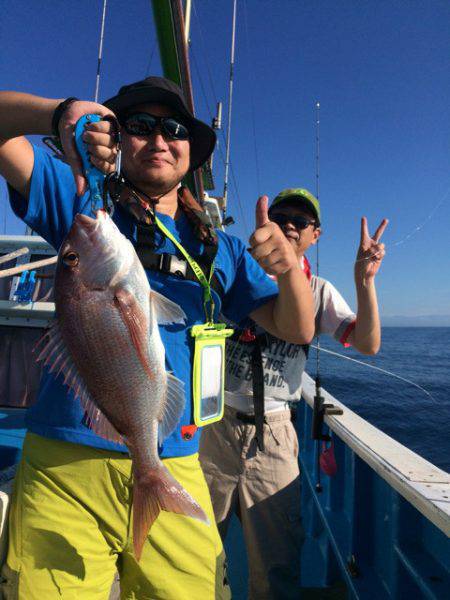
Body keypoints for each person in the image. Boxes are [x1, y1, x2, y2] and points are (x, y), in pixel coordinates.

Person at [0, 79, 314, 599]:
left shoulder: (223, 250)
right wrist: (58, 115)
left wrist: (289, 272)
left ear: (191, 151)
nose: (159, 140)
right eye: (140, 128)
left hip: (171, 458)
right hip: (63, 460)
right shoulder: (82, 202)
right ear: (118, 140)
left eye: (174, 129)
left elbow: (298, 327)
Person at [199, 188, 388, 600]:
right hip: (213, 426)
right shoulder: (235, 270)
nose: (289, 224)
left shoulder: (319, 291)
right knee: (195, 552)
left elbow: (368, 344)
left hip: (275, 436)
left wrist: (364, 282)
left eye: (300, 221)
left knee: (276, 563)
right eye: (281, 215)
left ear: (314, 235)